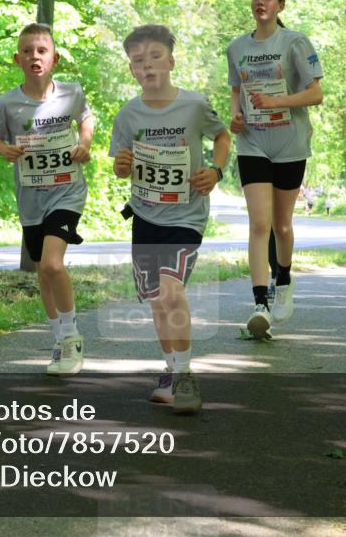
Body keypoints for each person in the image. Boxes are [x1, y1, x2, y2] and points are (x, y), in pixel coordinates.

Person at [111, 24, 230, 414]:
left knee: (170, 291)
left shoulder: (194, 105)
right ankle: (171, 372)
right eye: (138, 60)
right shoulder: (128, 114)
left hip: (186, 215)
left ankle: (185, 377)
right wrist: (122, 165)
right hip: (145, 216)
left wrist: (215, 171)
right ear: (131, 69)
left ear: (172, 62)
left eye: (155, 56)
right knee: (157, 302)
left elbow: (222, 136)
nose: (147, 65)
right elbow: (120, 166)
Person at [0, 23, 94, 375]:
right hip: (31, 198)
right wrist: (5, 150)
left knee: (52, 264)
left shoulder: (71, 93)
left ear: (55, 58)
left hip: (67, 191)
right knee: (41, 271)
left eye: (42, 50)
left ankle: (72, 338)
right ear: (17, 59)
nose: (34, 56)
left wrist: (85, 144)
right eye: (27, 51)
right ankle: (59, 340)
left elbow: (86, 119)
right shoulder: (7, 103)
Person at [228, 0, 323, 340]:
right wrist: (236, 117)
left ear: (280, 5)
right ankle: (259, 303)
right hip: (252, 143)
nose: (260, 2)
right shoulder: (236, 48)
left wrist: (276, 103)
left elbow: (315, 94)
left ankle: (283, 279)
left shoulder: (295, 42)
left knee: (281, 226)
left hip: (289, 144)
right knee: (258, 223)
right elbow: (236, 91)